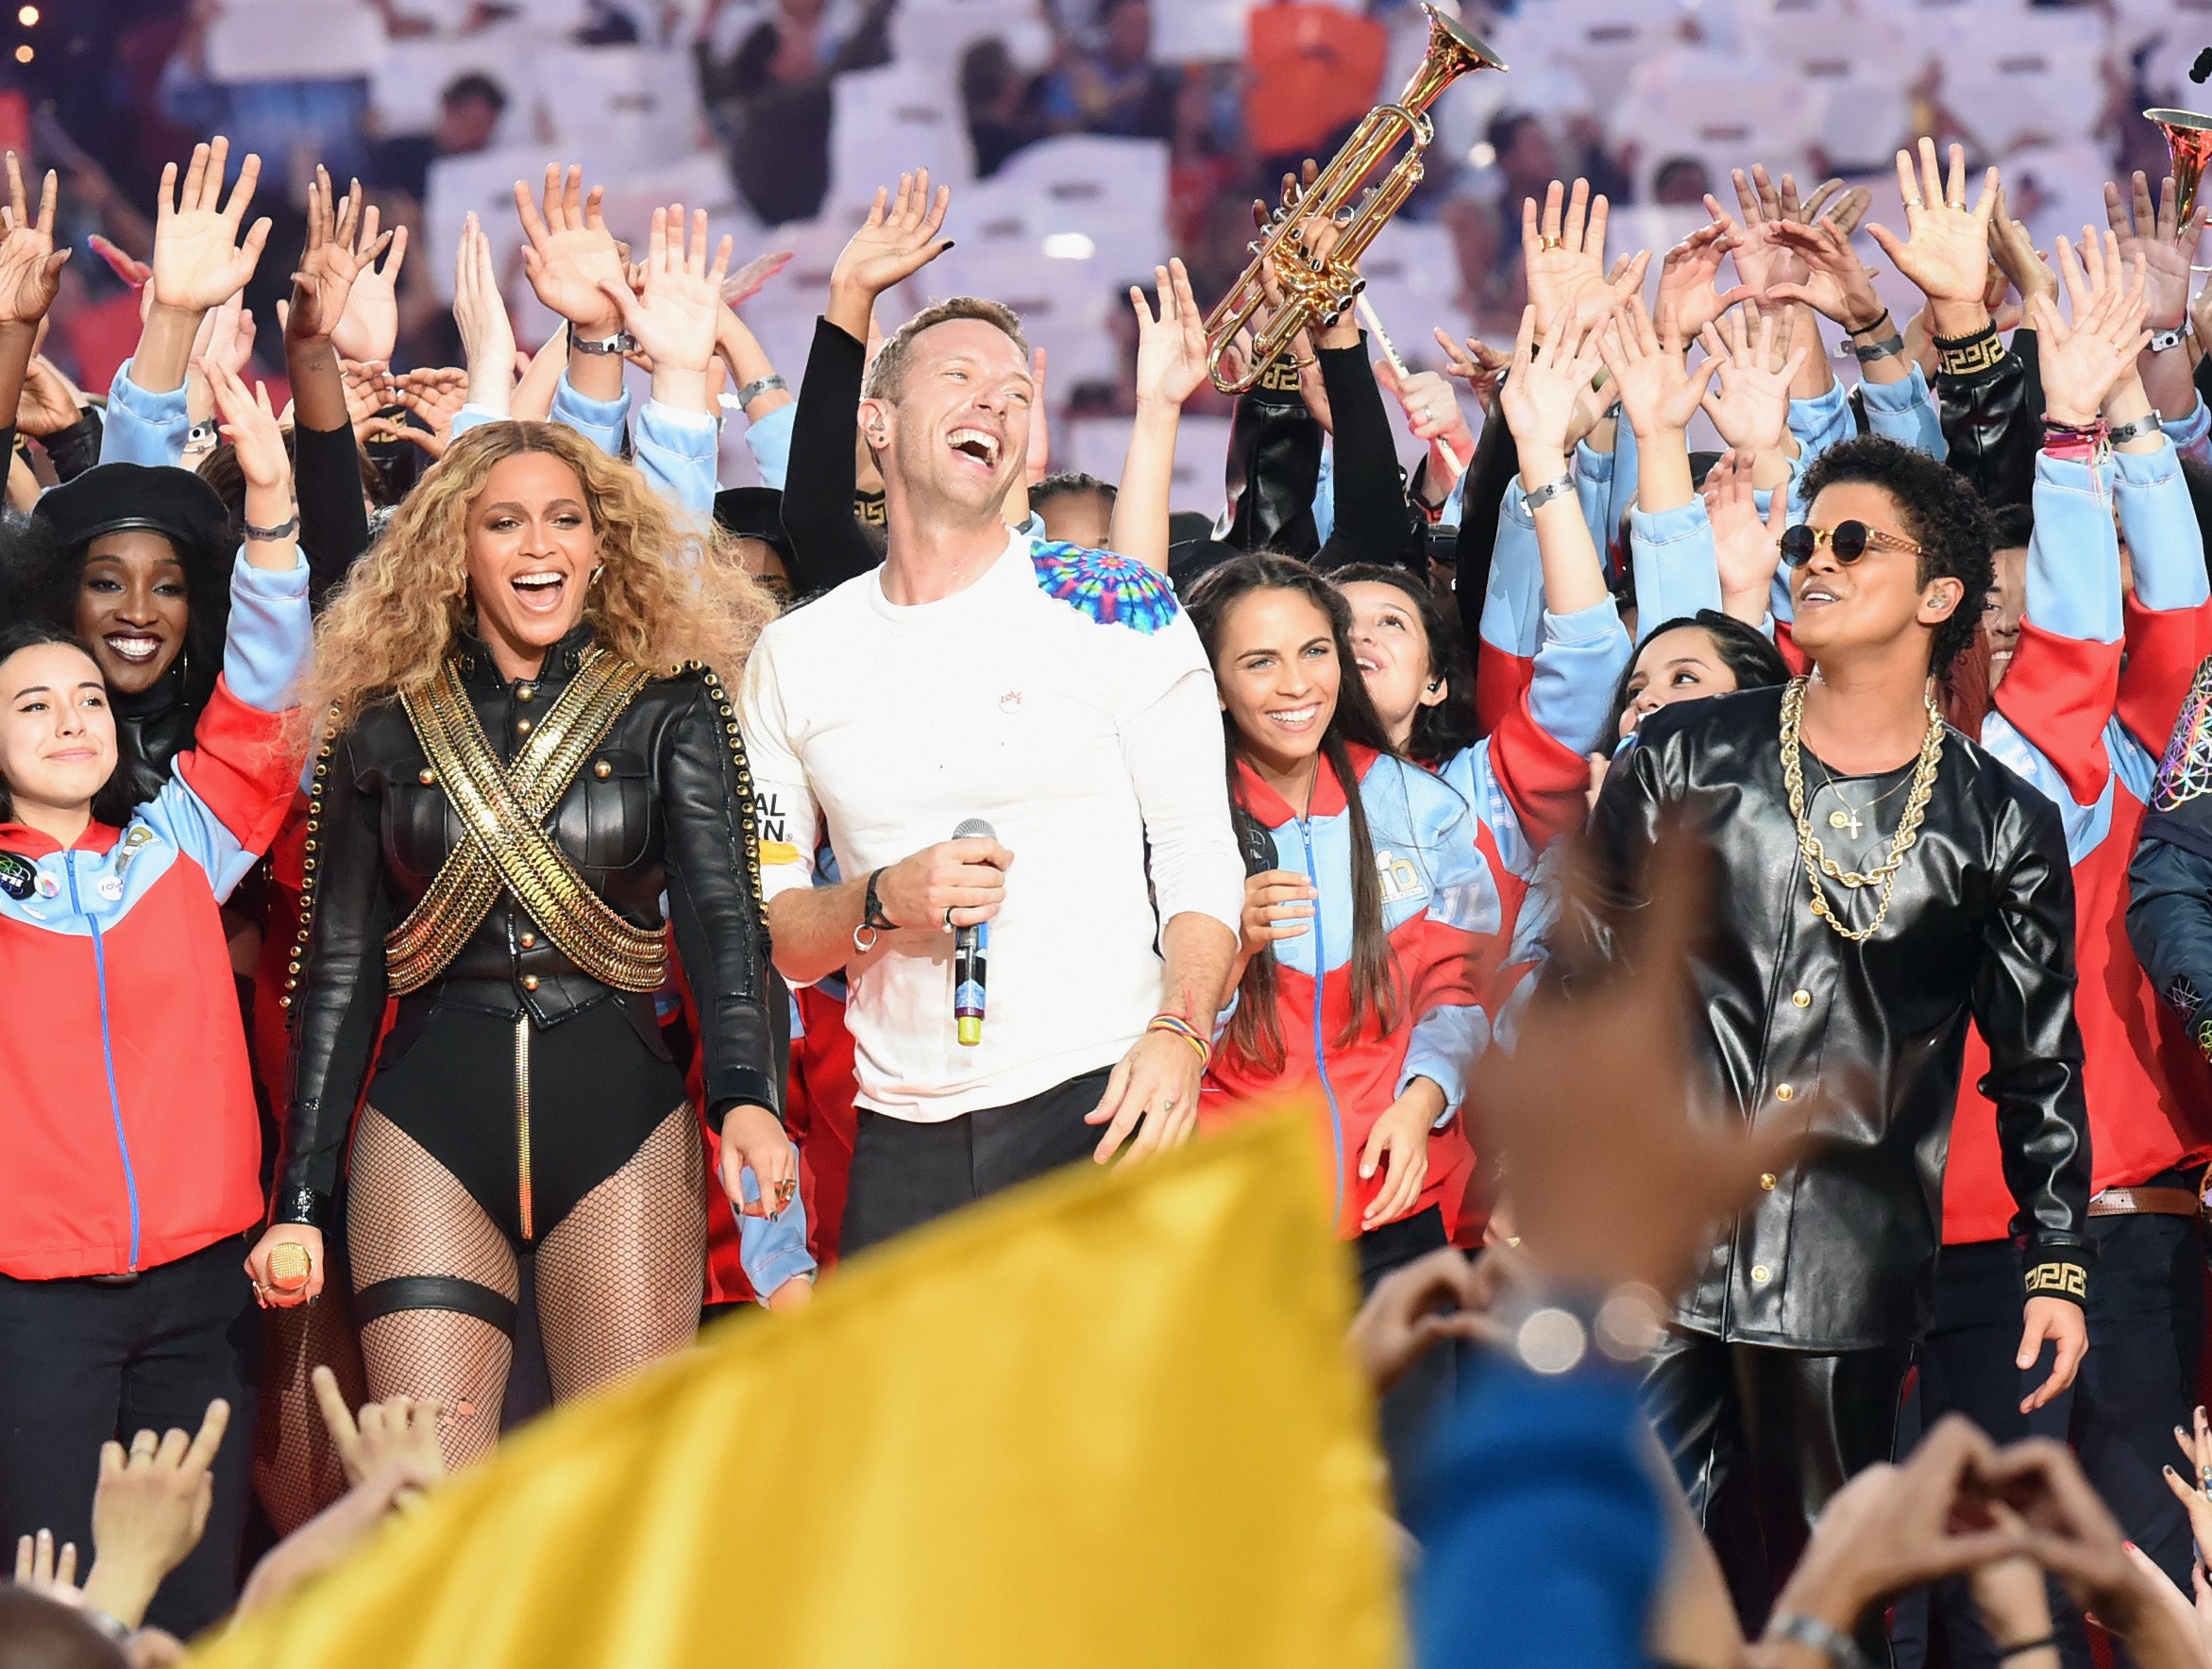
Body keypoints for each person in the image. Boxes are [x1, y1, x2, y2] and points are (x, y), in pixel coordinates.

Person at [1584, 426, 2096, 1654]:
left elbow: (2036, 1066)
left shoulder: (1999, 825)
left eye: (1850, 543)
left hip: (1843, 1278)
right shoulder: (1677, 758)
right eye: (1804, 541)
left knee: (1830, 1610)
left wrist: (2056, 1260)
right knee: (1611, 1590)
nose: (1812, 560)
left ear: (1937, 595)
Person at [258, 420, 790, 1469]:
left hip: (625, 1133)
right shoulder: (376, 722)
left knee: (616, 1497)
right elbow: (336, 977)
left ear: (601, 545)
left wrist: (748, 1099)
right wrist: (301, 1203)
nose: (538, 545)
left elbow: (730, 929)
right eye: (504, 521)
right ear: (457, 548)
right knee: (427, 1503)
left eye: (563, 519)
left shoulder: (672, 707)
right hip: (425, 1142)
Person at [738, 290, 1244, 1256]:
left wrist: (1182, 1032)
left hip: (1101, 1100)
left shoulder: (1112, 604)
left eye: (1017, 394)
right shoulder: (798, 655)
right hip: (900, 1133)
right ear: (877, 425)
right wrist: (883, 898)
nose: (995, 407)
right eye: (961, 379)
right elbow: (782, 934)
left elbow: (1196, 852)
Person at [0, 359, 310, 1639]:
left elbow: (262, 699)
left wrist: (279, 505)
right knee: (53, 1614)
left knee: (194, 1615)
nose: (73, 718)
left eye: (85, 700)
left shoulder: (178, 844)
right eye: (33, 702)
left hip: (203, 1291)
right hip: (34, 1309)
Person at [1188, 551, 1492, 1483]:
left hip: (1396, 1225)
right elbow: (1136, 1030)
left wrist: (1421, 1100)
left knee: (1407, 1525)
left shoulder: (1421, 810)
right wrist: (1225, 954)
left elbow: (1465, 986)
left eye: (1315, 652)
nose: (1297, 684)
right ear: (1213, 682)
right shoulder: (1178, 822)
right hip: (1236, 1239)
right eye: (1260, 661)